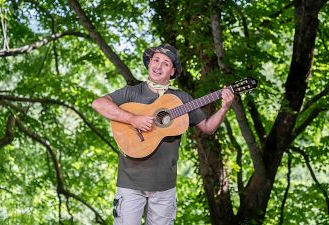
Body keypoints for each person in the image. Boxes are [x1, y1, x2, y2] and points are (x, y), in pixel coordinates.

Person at [91, 43, 234, 225]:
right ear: (149, 63)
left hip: (165, 186)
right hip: (130, 183)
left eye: (165, 63)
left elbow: (207, 127)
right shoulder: (132, 92)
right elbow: (98, 103)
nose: (158, 66)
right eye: (156, 60)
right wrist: (132, 119)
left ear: (172, 71)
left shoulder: (181, 99)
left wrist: (224, 108)